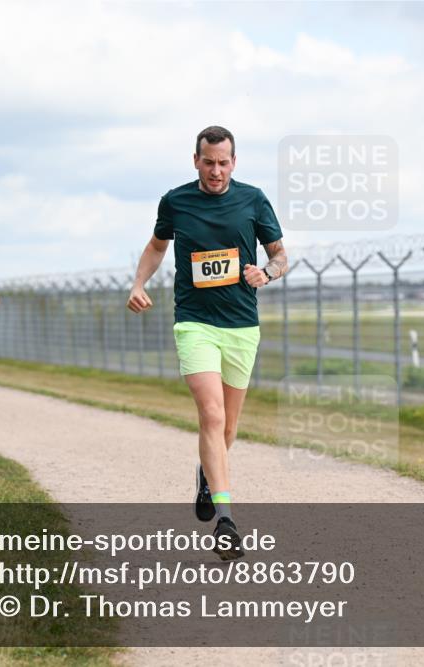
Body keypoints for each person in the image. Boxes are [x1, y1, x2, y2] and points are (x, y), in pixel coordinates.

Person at [127, 126, 288, 561]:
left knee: (228, 429)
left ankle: (206, 473)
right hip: (194, 323)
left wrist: (266, 273)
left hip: (241, 326)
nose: (216, 171)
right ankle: (227, 520)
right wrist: (139, 282)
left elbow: (280, 255)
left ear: (233, 163)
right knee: (212, 416)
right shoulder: (176, 201)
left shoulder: (253, 199)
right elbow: (157, 246)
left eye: (223, 163)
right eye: (208, 162)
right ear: (195, 160)